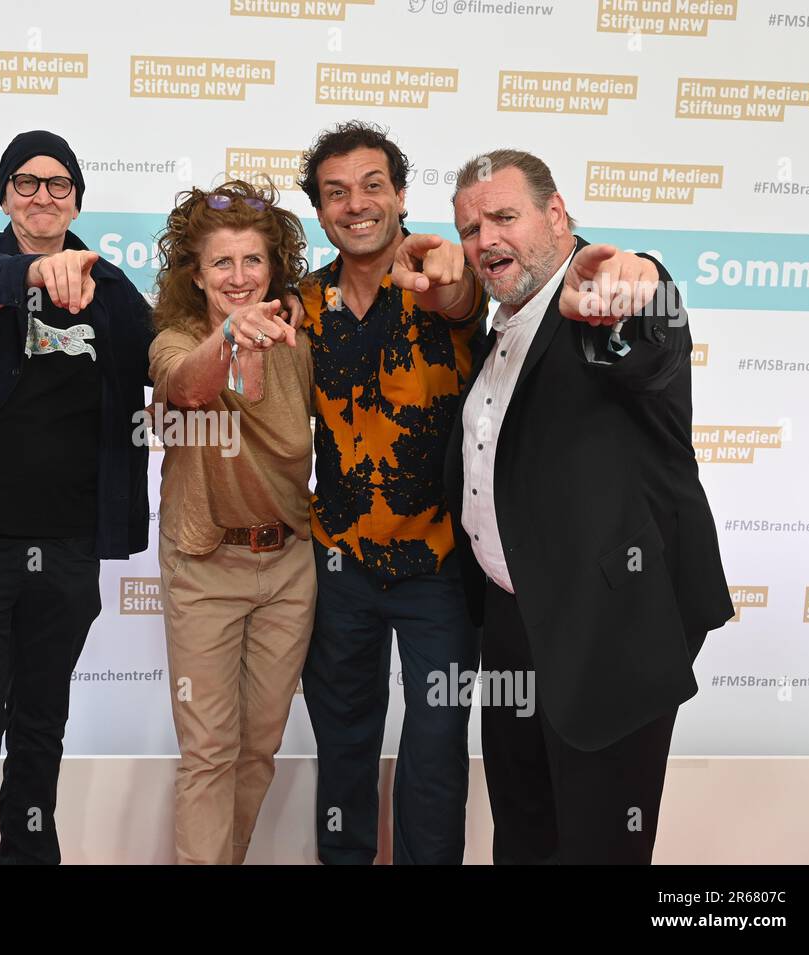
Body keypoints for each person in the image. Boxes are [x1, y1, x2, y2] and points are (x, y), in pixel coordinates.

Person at [444, 148, 733, 864]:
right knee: (523, 832)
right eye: (471, 228)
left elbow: (649, 330)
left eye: (504, 217)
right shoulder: (501, 325)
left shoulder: (598, 297)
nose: (486, 241)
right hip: (513, 618)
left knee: (599, 845)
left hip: (608, 627)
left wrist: (640, 281)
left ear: (556, 214)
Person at [0, 130, 154, 865]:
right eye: (26, 181)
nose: (42, 195)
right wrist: (44, 272)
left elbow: (161, 359)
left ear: (77, 196)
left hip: (67, 553)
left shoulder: (107, 286)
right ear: (4, 194)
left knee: (40, 727)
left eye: (58, 184)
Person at [295, 120, 487, 864]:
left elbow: (465, 300)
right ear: (320, 212)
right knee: (343, 741)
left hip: (440, 564)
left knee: (436, 749)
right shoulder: (303, 304)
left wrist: (454, 277)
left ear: (401, 194)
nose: (357, 204)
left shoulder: (439, 276)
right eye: (336, 193)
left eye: (373, 185)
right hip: (338, 560)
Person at [148, 179, 316, 864]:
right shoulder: (173, 337)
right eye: (223, 262)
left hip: (287, 567)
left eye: (253, 261)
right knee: (209, 750)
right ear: (196, 272)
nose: (240, 277)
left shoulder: (301, 336)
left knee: (257, 748)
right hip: (204, 564)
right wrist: (229, 337)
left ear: (273, 267)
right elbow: (186, 384)